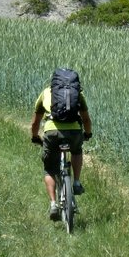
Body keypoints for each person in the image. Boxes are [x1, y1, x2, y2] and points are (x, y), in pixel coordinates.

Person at [30, 71, 92, 221]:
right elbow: (86, 119)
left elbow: (35, 122)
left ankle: (53, 204)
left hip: (52, 133)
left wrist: (35, 137)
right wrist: (88, 134)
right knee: (77, 151)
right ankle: (76, 182)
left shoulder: (45, 93)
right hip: (74, 131)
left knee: (50, 168)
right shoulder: (78, 94)